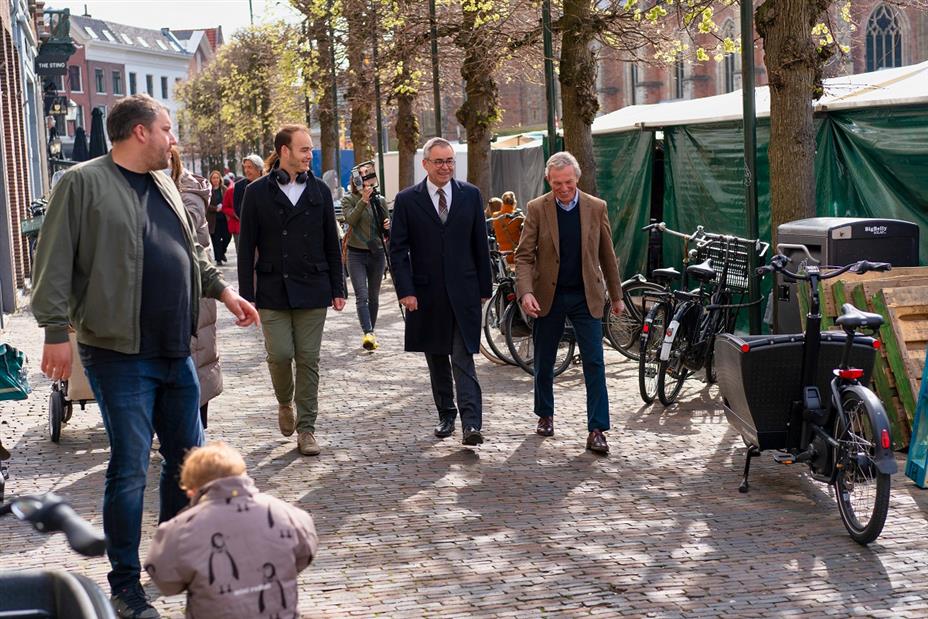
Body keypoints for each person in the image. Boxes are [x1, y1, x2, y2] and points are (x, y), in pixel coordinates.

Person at [31, 93, 260, 619]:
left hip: (174, 348)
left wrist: (224, 292)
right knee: (130, 466)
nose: (173, 139)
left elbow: (191, 252)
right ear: (139, 132)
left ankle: (171, 562)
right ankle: (126, 582)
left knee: (187, 463)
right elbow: (55, 259)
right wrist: (52, 331)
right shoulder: (81, 183)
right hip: (117, 353)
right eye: (167, 129)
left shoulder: (164, 183)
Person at [237, 125, 346, 457]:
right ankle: (285, 402)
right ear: (283, 151)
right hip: (272, 288)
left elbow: (331, 241)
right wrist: (246, 295)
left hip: (313, 287)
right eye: (303, 149)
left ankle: (307, 429)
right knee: (281, 354)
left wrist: (338, 286)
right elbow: (246, 248)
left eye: (310, 149)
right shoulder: (255, 193)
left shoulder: (320, 192)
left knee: (309, 359)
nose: (308, 154)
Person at [514, 151, 624, 455]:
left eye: (569, 183)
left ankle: (597, 429)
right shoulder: (537, 209)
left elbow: (607, 254)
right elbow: (524, 256)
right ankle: (545, 415)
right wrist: (526, 292)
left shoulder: (595, 207)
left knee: (595, 362)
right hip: (549, 295)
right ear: (549, 180)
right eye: (557, 183)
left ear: (577, 179)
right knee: (545, 359)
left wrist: (616, 296)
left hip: (586, 295)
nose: (563, 189)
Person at [389, 137, 492, 445]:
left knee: (463, 357)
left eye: (450, 161)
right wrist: (406, 290)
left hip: (464, 292)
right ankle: (446, 414)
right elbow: (398, 250)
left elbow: (479, 245)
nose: (446, 167)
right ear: (425, 164)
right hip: (426, 294)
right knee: (436, 357)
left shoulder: (470, 195)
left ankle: (471, 424)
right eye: (439, 162)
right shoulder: (407, 200)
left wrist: (484, 288)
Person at [145, 441, 318, 619]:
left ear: (191, 491)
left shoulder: (181, 528)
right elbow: (305, 552)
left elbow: (165, 580)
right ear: (243, 474)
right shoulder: (287, 513)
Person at [171, 150, 223, 431]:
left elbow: (183, 231)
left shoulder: (189, 196)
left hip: (193, 293)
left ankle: (193, 432)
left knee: (197, 359)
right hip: (169, 294)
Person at [341, 162, 390, 351]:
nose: (366, 183)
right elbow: (351, 219)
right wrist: (363, 200)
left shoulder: (381, 200)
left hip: (377, 253)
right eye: (362, 179)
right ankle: (368, 332)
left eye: (369, 179)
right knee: (361, 295)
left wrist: (387, 225)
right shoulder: (349, 200)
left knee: (373, 296)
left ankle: (372, 333)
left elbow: (386, 229)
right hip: (356, 253)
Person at [221, 154, 263, 256]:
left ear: (259, 169)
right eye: (245, 167)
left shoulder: (269, 183)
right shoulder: (239, 186)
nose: (247, 170)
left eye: (250, 167)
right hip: (246, 229)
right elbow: (238, 209)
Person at [207, 170, 231, 265]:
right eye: (214, 178)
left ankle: (222, 252)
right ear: (211, 179)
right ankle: (218, 259)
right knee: (216, 239)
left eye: (217, 178)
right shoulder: (208, 190)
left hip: (225, 218)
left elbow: (229, 201)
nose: (215, 180)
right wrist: (215, 209)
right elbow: (206, 204)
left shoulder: (224, 189)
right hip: (214, 219)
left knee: (227, 237)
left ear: (220, 179)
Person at [492, 191, 522, 265]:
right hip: (516, 254)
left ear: (502, 202)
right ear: (514, 202)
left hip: (502, 255)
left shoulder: (495, 216)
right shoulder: (518, 217)